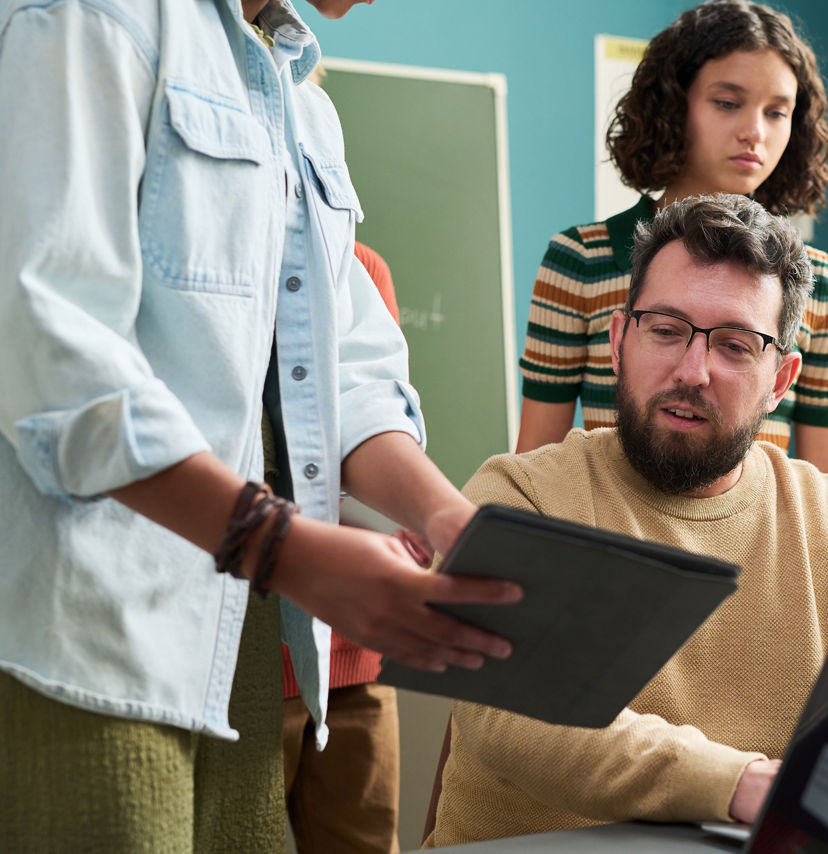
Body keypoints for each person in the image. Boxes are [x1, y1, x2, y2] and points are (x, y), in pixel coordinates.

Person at [0, 1, 519, 850]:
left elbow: (347, 367)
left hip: (238, 662)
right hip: (78, 651)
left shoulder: (304, 106)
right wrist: (285, 549)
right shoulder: (88, 18)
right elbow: (53, 355)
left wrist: (447, 517)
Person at [425, 194, 828, 849]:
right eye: (665, 330)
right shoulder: (520, 497)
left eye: (736, 346)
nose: (693, 372)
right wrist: (740, 783)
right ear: (619, 341)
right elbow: (522, 712)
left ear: (781, 381)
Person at [517, 0, 828, 484]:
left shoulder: (822, 281)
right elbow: (534, 463)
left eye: (777, 112)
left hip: (754, 551)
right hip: (606, 542)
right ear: (674, 106)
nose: (754, 132)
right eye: (727, 103)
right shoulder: (581, 260)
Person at [280, 242, 404, 854]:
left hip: (353, 656)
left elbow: (372, 422)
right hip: (237, 658)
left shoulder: (361, 268)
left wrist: (431, 514)